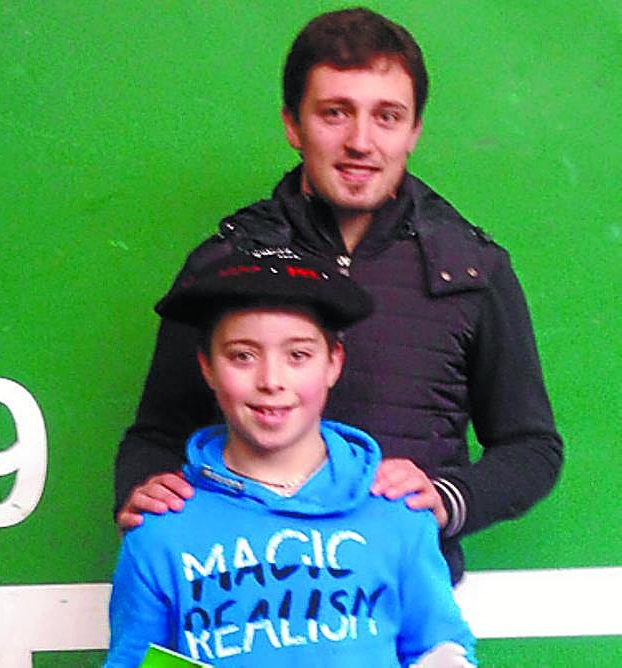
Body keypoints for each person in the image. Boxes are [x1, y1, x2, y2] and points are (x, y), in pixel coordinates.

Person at [114, 7, 563, 584]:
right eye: (335, 113)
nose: (360, 142)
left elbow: (531, 448)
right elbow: (155, 436)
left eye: (387, 116)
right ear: (292, 125)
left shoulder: (472, 269)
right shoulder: (225, 264)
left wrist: (448, 499)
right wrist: (144, 487)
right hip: (244, 599)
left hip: (404, 603)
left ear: (414, 131)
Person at [104, 250, 477, 667]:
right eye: (242, 355)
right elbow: (133, 660)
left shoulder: (395, 512)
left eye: (298, 355)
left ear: (334, 362)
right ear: (207, 367)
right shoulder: (162, 530)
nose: (271, 381)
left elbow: (439, 648)